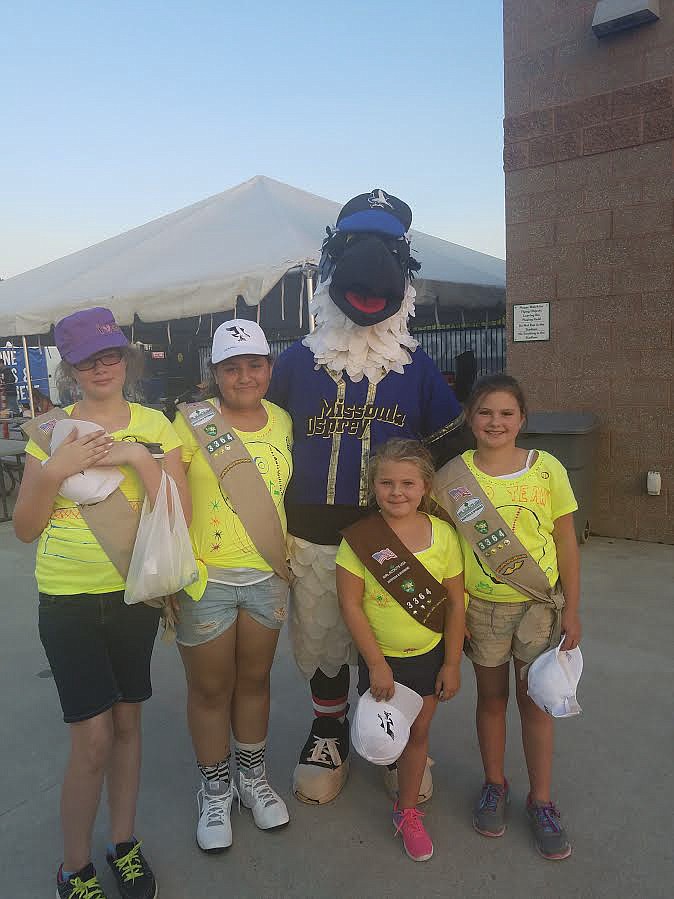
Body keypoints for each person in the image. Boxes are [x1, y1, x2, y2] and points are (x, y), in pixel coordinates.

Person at [266, 189, 466, 806]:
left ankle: (391, 733)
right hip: (317, 534)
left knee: (395, 646)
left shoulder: (417, 368)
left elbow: (454, 462)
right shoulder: (294, 363)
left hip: (398, 540)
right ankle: (329, 731)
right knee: (327, 642)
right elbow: (260, 446)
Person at [13, 307, 189, 899]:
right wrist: (53, 470)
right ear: (70, 367)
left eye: (111, 354)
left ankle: (123, 843)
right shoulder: (48, 431)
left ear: (126, 357)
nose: (104, 366)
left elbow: (180, 515)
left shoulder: (156, 425)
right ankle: (72, 866)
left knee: (129, 723)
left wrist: (139, 457)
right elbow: (27, 529)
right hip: (66, 599)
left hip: (133, 591)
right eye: (89, 358)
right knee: (91, 739)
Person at [172, 319, 293, 853]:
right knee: (209, 689)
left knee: (256, 680)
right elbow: (170, 501)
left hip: (267, 576)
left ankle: (251, 777)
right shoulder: (190, 424)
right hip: (207, 580)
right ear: (215, 374)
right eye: (231, 367)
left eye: (254, 365)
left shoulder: (284, 421)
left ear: (269, 368)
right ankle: (214, 788)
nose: (244, 376)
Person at [456, 374, 581, 860]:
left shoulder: (546, 468)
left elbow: (567, 542)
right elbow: (447, 550)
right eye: (485, 412)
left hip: (538, 607)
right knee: (491, 699)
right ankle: (494, 783)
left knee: (536, 704)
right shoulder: (456, 477)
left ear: (522, 420)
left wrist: (573, 607)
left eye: (507, 414)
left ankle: (542, 799)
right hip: (481, 608)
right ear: (470, 418)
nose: (496, 422)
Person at [336, 439, 465, 862]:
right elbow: (350, 604)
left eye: (408, 483)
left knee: (420, 733)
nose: (397, 492)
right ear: (373, 486)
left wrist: (451, 663)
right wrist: (375, 664)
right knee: (383, 732)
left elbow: (455, 603)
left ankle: (406, 810)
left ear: (425, 486)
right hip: (382, 659)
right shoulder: (361, 539)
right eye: (386, 482)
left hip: (428, 654)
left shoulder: (444, 536)